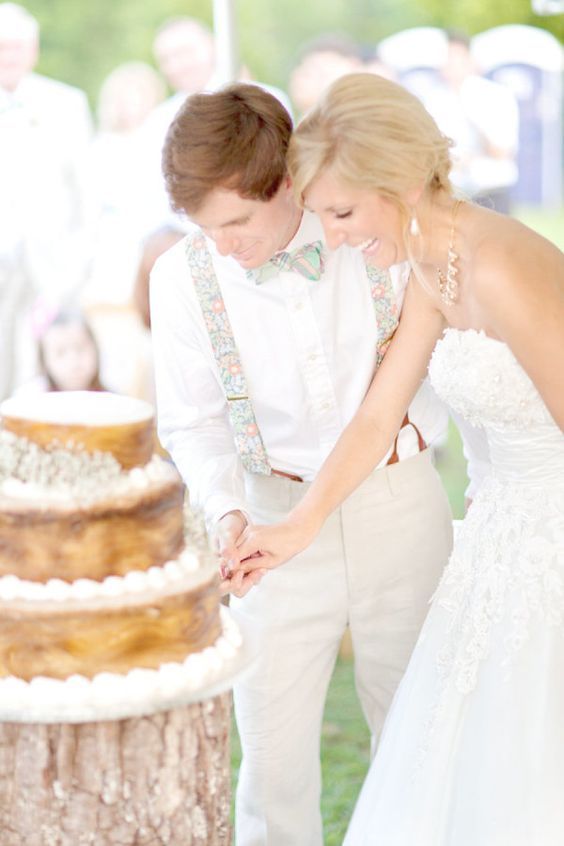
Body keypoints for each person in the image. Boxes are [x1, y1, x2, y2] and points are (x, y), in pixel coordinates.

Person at [147, 81, 484, 846]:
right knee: (271, 762)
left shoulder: (372, 234)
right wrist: (227, 509)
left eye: (237, 221)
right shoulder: (181, 280)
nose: (225, 246)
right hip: (268, 524)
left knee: (416, 728)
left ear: (289, 182)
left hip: (401, 500)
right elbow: (193, 424)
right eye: (205, 228)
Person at [235, 73, 564, 844]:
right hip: (499, 544)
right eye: (323, 216)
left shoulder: (498, 262)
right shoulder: (429, 263)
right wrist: (300, 524)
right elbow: (381, 411)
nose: (338, 236)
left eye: (344, 213)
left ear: (405, 178)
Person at [0, 2, 93, 400]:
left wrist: (78, 264)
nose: (9, 56)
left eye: (17, 46)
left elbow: (87, 193)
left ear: (33, 51)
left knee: (47, 371)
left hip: (55, 268)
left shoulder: (66, 103)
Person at [15, 307, 106, 395]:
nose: (73, 360)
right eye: (60, 353)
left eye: (80, 349)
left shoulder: (110, 401)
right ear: (44, 361)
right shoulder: (31, 397)